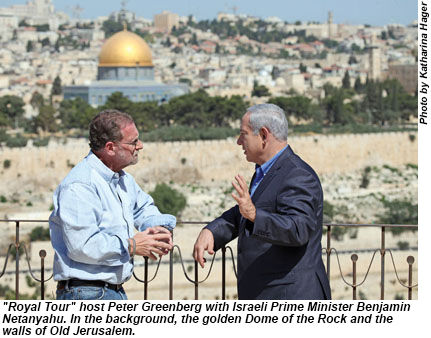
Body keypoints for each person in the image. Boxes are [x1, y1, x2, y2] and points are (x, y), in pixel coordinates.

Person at [193, 104, 331, 300]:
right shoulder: (266, 171)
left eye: (243, 134)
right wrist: (213, 231)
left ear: (264, 135)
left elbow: (298, 229)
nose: (239, 141)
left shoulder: (297, 174)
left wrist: (255, 215)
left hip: (290, 295)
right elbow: (245, 211)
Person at [49, 109, 175, 300]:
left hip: (111, 291)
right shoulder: (80, 186)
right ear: (110, 148)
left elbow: (143, 208)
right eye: (133, 142)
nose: (140, 146)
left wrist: (158, 230)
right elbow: (82, 246)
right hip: (87, 294)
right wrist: (131, 245)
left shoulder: (123, 180)